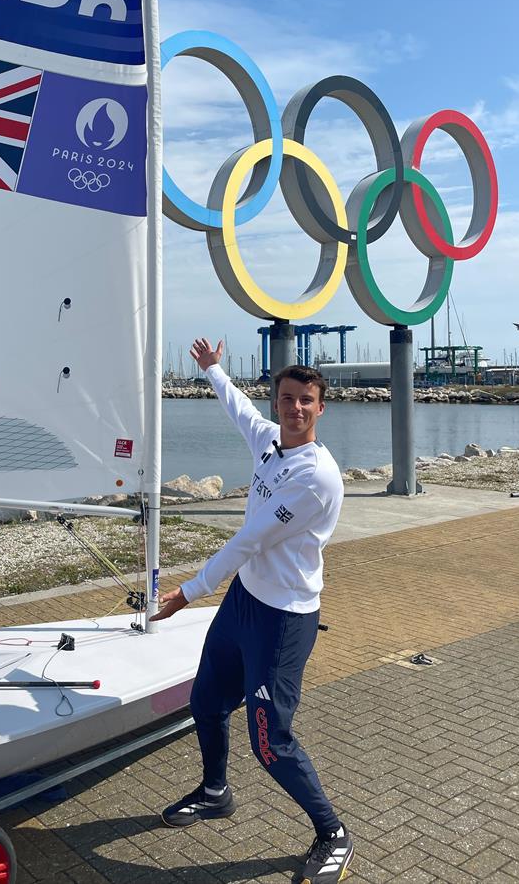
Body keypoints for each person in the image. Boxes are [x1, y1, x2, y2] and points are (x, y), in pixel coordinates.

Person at [152, 337, 353, 884]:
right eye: (287, 399)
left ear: (321, 406)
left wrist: (189, 591)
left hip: (283, 619)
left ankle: (332, 831)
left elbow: (249, 540)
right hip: (245, 602)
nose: (295, 409)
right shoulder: (270, 442)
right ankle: (215, 791)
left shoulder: (315, 477)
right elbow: (239, 410)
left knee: (270, 741)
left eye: (306, 401)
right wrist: (214, 369)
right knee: (206, 703)